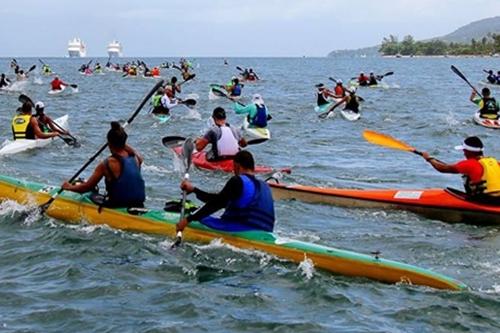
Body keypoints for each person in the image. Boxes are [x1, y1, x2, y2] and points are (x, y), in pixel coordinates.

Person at [176, 150, 275, 233]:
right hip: (266, 231)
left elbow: (216, 204)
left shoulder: (238, 181)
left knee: (196, 218)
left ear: (237, 166)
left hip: (242, 229)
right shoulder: (265, 185)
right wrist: (194, 190)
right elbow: (220, 200)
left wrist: (188, 219)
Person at [62, 122, 146, 208]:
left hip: (117, 205)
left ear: (109, 143)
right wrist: (122, 142)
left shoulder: (107, 163)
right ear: (124, 143)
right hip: (139, 204)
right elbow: (135, 153)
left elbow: (86, 187)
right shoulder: (136, 158)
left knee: (90, 193)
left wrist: (68, 187)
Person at [421, 136, 500, 202]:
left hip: (483, 200)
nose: (464, 153)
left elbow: (442, 168)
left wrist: (429, 159)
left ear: (469, 152)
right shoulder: (495, 162)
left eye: (464, 151)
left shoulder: (469, 164)